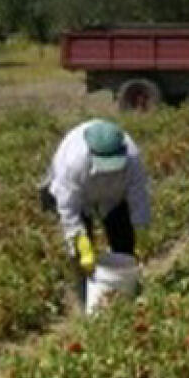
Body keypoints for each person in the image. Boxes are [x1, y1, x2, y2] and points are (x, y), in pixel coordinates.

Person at [39, 119, 150, 307]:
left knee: (123, 243)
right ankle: (86, 300)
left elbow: (138, 196)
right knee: (82, 256)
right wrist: (80, 241)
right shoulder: (73, 162)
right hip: (82, 197)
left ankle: (124, 295)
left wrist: (141, 230)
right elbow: (69, 208)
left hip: (115, 195)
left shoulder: (132, 158)